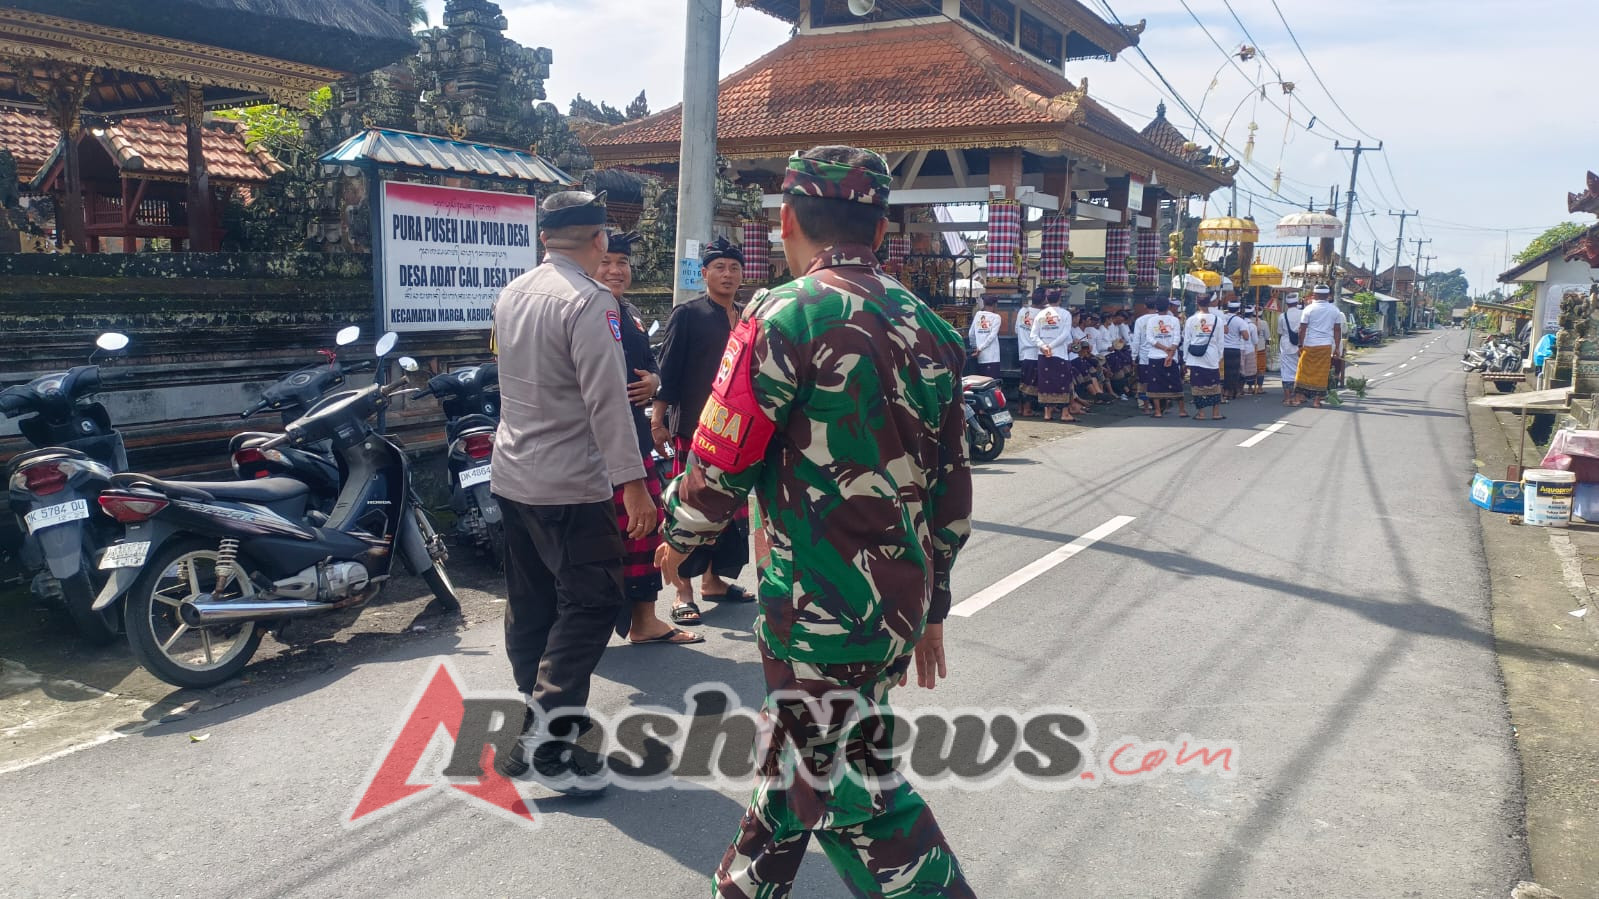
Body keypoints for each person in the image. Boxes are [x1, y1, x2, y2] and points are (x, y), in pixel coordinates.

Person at [656, 145, 976, 899]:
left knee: (851, 785)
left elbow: (722, 450)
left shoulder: (780, 312)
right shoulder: (931, 326)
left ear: (787, 219)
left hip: (814, 603)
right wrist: (933, 604)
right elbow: (950, 492)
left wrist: (677, 538)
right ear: (884, 231)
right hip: (893, 600)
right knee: (806, 760)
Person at [489, 190, 657, 789]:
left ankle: (542, 717)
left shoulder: (514, 292)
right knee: (590, 602)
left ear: (543, 238)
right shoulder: (590, 302)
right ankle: (546, 738)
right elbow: (608, 402)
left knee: (532, 601)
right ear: (599, 239)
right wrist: (633, 485)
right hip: (570, 483)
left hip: (513, 474)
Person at [595, 230, 704, 646]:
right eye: (606, 261)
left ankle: (644, 620)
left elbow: (652, 365)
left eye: (622, 262)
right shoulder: (585, 311)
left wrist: (654, 381)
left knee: (643, 531)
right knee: (603, 537)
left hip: (634, 439)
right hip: (595, 444)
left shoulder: (632, 314)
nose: (615, 270)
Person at [652, 236, 754, 623]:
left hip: (736, 433)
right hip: (694, 429)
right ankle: (682, 590)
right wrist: (658, 421)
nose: (727, 274)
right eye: (719, 268)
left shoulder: (746, 317)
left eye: (734, 267)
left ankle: (713, 581)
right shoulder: (688, 314)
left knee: (725, 511)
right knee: (688, 510)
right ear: (705, 273)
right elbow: (669, 372)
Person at [1031, 290, 1079, 422]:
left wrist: (1044, 346)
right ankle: (1064, 413)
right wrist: (1050, 346)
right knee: (1063, 382)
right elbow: (1064, 335)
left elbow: (1033, 335)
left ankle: (1047, 413)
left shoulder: (1040, 314)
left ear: (1047, 299)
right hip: (1059, 353)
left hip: (1043, 353)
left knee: (1046, 383)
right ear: (1059, 300)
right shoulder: (1065, 314)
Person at [1296, 284, 1343, 407]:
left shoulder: (1308, 309)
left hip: (1309, 345)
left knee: (1303, 371)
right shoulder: (1335, 310)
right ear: (1328, 296)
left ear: (1315, 295)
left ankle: (1299, 396)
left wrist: (1300, 345)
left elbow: (1302, 329)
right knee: (1321, 374)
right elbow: (1337, 330)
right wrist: (1337, 348)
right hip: (1325, 346)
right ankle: (1317, 401)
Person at [1141, 297, 1185, 418]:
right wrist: (1169, 352)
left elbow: (1150, 339)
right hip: (1171, 356)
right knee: (1175, 382)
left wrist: (1164, 349)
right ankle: (1182, 410)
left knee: (1155, 385)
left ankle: (1157, 411)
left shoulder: (1151, 320)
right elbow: (1177, 338)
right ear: (1169, 307)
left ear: (1156, 307)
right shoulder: (1174, 320)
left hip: (1155, 355)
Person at [1185, 293, 1226, 420]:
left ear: (1197, 303)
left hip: (1195, 357)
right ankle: (1216, 412)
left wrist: (1186, 358)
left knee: (1197, 385)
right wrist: (1219, 356)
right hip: (1212, 356)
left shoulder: (1191, 320)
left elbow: (1187, 340)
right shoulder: (1217, 320)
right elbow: (1220, 341)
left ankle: (1201, 413)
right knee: (1214, 385)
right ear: (1210, 303)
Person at [1016, 289, 1044, 417]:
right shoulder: (1042, 314)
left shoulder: (1022, 311)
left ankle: (1020, 408)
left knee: (1023, 380)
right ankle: (1027, 409)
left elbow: (1017, 330)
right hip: (1034, 352)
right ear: (1044, 300)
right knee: (1031, 382)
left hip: (1022, 351)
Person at [1278, 292, 1304, 406]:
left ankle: (1287, 398)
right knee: (1299, 371)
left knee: (1286, 372)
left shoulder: (1282, 316)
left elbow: (1279, 332)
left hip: (1286, 346)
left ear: (1286, 304)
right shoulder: (1303, 314)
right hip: (1300, 346)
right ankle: (1298, 397)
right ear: (1297, 302)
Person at [968, 299, 1002, 378]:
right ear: (994, 305)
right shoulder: (996, 317)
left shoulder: (978, 315)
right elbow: (992, 336)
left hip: (980, 357)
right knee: (993, 384)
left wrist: (975, 347)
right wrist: (980, 348)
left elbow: (971, 333)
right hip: (992, 357)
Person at [1221, 298, 1247, 400]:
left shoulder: (1222, 318)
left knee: (1224, 371)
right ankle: (1230, 392)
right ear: (1238, 309)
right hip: (1234, 348)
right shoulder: (1240, 321)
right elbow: (1246, 336)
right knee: (1233, 372)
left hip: (1223, 348)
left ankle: (1223, 391)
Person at [1237, 307, 1258, 393]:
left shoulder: (1239, 323)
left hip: (1239, 348)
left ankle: (1240, 388)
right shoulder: (1252, 326)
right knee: (1249, 371)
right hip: (1249, 349)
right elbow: (1255, 340)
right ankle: (1250, 388)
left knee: (1240, 369)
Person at [1250, 306, 1270, 395]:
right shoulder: (1264, 323)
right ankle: (1260, 387)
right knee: (1261, 368)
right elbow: (1267, 336)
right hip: (1261, 347)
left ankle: (1250, 387)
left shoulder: (1248, 322)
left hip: (1250, 348)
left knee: (1250, 367)